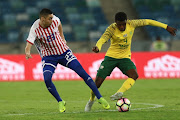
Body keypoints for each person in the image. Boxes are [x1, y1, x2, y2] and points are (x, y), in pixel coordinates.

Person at [85, 12, 176, 112]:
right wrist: (98, 47)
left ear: (126, 21)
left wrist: (166, 27)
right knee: (97, 83)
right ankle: (91, 100)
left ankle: (119, 93)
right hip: (111, 57)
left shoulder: (132, 24)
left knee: (134, 75)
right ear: (115, 23)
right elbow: (102, 39)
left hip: (124, 58)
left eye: (123, 24)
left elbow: (148, 21)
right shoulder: (111, 29)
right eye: (119, 24)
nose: (122, 26)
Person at [25, 8, 110, 113]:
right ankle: (60, 101)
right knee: (47, 79)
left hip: (64, 52)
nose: (52, 20)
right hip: (49, 57)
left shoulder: (55, 20)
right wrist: (28, 52)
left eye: (52, 18)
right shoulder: (35, 29)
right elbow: (29, 43)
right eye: (49, 18)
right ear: (42, 19)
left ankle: (100, 97)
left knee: (82, 73)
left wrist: (62, 36)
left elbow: (59, 24)